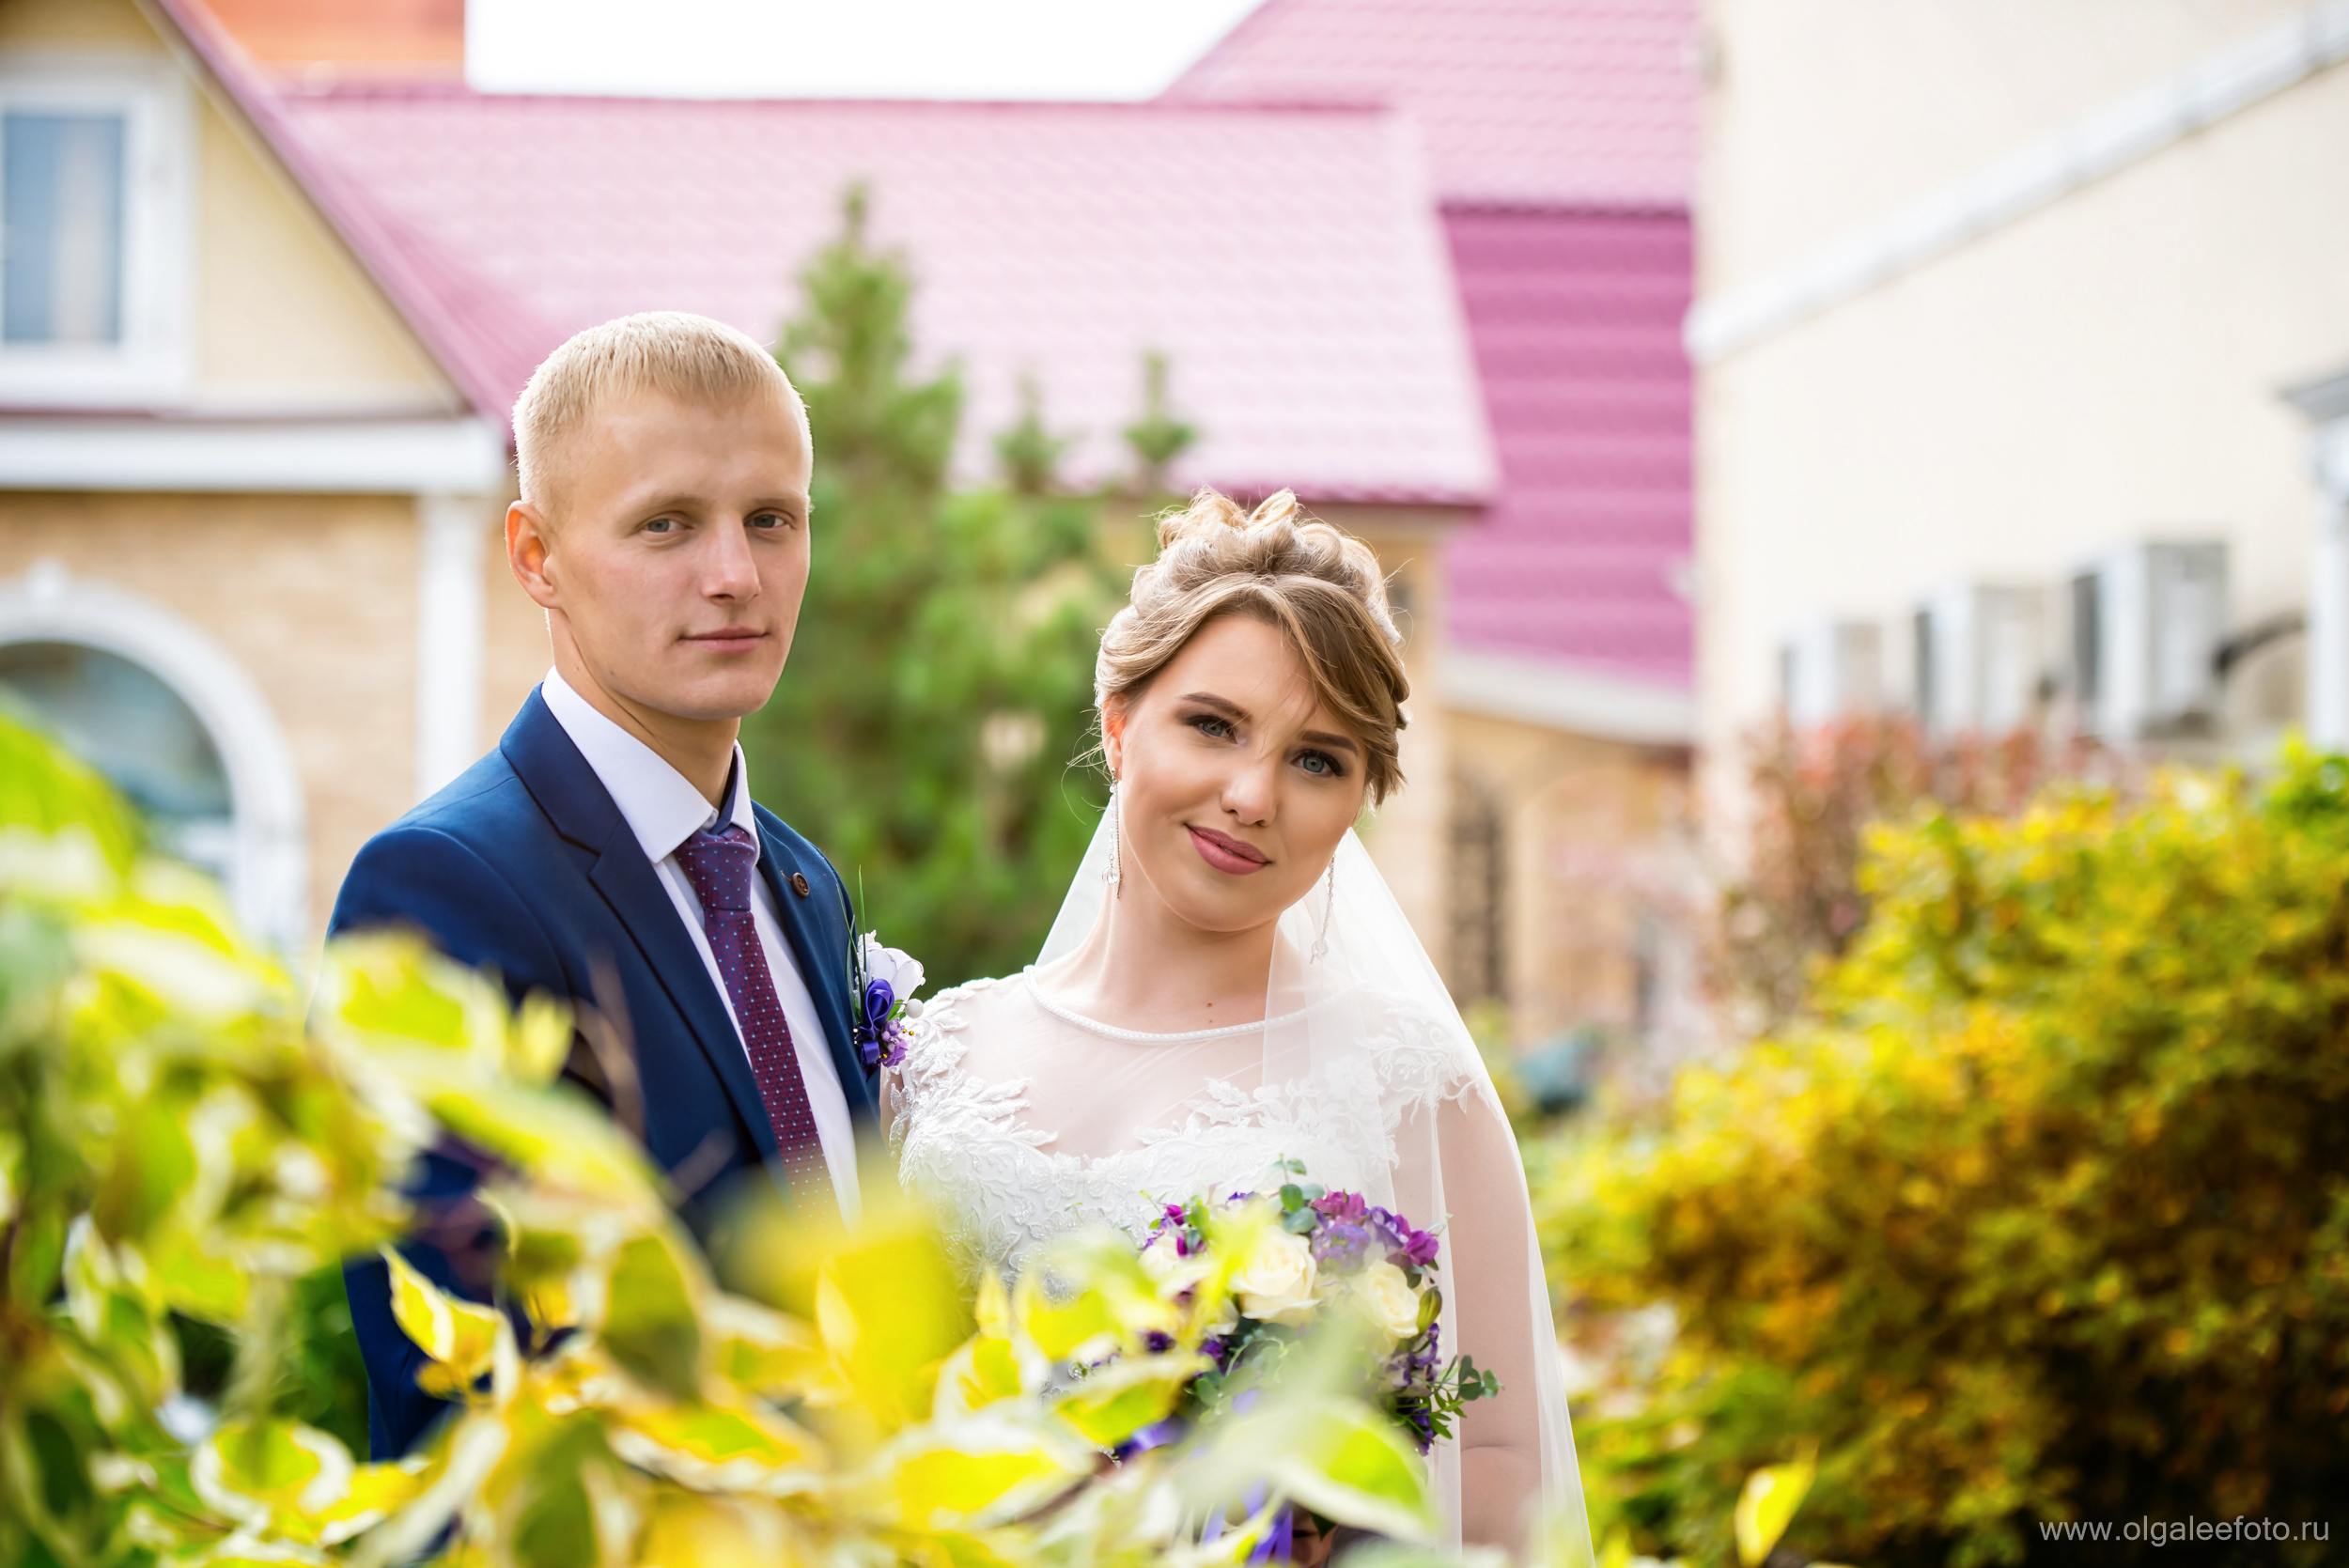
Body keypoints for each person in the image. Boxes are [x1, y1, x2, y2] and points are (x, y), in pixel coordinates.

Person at [886, 489, 1591, 1555]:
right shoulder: (936, 1055)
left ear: (1359, 798)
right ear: (1119, 725)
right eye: (1212, 725)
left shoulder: (1407, 1083)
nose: (1252, 793)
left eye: (1318, 759)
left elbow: (1498, 1464)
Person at [331, 313, 872, 1460]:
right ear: (536, 556)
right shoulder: (439, 889)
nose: (735, 575)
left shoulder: (806, 886)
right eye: (666, 524)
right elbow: (462, 1385)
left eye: (770, 519)